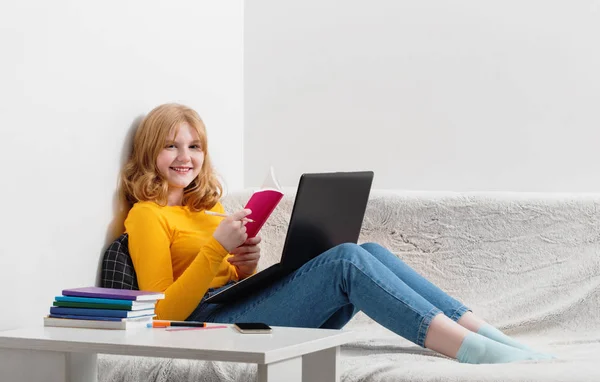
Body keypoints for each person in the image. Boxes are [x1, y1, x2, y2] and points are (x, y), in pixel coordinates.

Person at [121, 103, 552, 364]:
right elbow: (162, 316)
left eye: (194, 147)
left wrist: (241, 265)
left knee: (371, 251)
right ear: (149, 152)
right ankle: (474, 352)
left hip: (231, 310)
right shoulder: (146, 216)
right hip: (202, 329)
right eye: (171, 146)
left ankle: (490, 336)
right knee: (346, 261)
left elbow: (220, 279)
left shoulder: (207, 207)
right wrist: (216, 251)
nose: (185, 157)